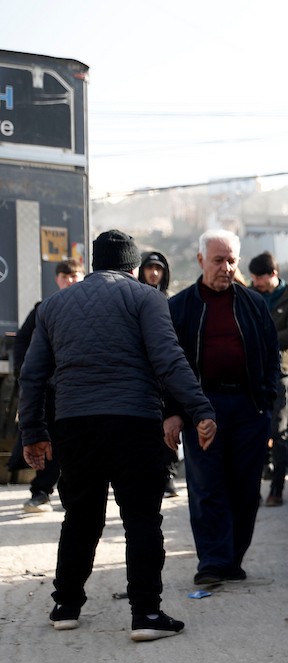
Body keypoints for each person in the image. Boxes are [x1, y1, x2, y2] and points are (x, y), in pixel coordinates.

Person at [18, 230, 216, 641]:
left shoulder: (53, 305)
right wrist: (199, 409)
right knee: (141, 518)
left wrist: (33, 431)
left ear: (95, 263)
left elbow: (32, 375)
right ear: (133, 265)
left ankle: (66, 605)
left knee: (80, 516)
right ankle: (146, 614)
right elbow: (168, 359)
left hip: (75, 425)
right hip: (134, 422)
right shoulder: (147, 298)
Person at [164, 230, 280, 586]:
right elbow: (168, 364)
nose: (226, 268)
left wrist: (268, 403)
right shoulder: (180, 307)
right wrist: (174, 411)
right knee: (207, 486)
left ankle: (233, 559)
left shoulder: (253, 304)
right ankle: (213, 561)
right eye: (218, 260)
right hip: (202, 408)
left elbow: (271, 357)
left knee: (246, 488)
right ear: (201, 260)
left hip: (249, 408)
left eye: (231, 261)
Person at [10, 258, 84, 513]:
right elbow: (22, 344)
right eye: (66, 276)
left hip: (80, 389)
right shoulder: (44, 309)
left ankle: (76, 494)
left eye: (75, 276)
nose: (70, 280)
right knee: (47, 440)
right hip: (51, 390)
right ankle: (41, 491)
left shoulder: (90, 310)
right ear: (57, 279)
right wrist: (28, 375)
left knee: (79, 442)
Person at [247, 251, 288, 506]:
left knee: (279, 432)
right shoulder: (249, 295)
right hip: (250, 372)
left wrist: (263, 339)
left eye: (259, 278)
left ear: (273, 274)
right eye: (253, 278)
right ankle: (252, 489)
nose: (255, 282)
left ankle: (277, 489)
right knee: (250, 431)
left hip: (280, 373)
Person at [138, 250, 184, 497]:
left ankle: (168, 475)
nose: (154, 273)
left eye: (159, 269)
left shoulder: (171, 302)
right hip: (141, 373)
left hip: (166, 372)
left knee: (170, 422)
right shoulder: (134, 299)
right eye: (150, 268)